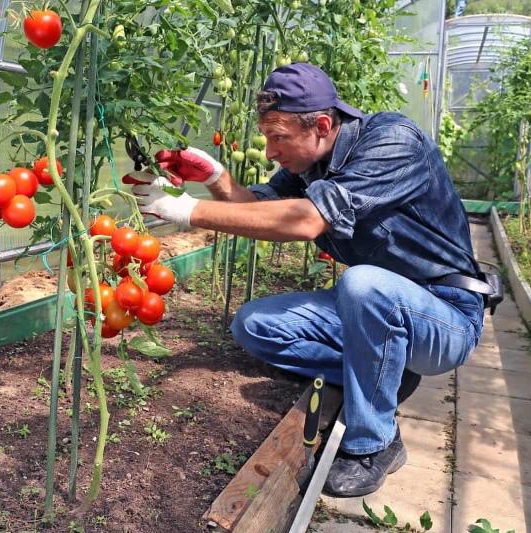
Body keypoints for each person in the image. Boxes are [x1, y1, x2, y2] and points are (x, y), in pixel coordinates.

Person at [127, 63, 486, 497]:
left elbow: (306, 220)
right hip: (374, 307)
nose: (271, 151)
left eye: (278, 137)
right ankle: (381, 376)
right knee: (254, 324)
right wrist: (216, 179)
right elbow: (260, 210)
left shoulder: (392, 141)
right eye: (267, 137)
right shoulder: (310, 161)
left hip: (444, 313)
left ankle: (374, 444)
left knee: (364, 284)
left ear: (320, 125)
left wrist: (186, 211)